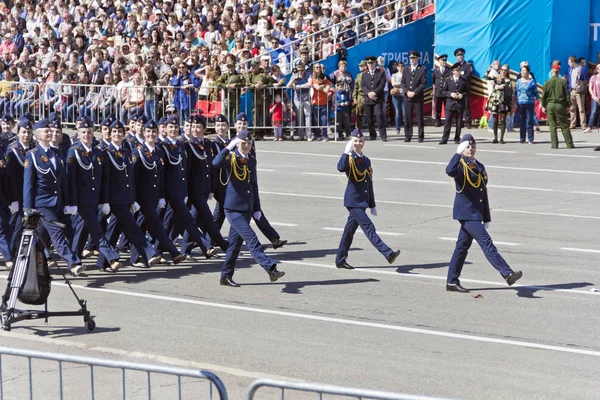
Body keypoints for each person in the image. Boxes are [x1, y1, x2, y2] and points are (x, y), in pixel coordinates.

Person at [445, 134, 523, 293]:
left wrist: (486, 216)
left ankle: (451, 282)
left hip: (476, 213)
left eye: (473, 147)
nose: (471, 149)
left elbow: (483, 192)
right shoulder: (460, 165)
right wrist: (457, 153)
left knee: (461, 248)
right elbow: (449, 171)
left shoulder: (479, 166)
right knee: (486, 242)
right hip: (466, 213)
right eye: (467, 146)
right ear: (462, 148)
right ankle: (507, 273)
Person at [212, 130, 285, 287]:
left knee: (234, 245)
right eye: (243, 143)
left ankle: (225, 276)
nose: (246, 146)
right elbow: (215, 163)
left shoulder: (250, 160)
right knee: (252, 239)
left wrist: (257, 208)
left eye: (249, 144)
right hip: (233, 209)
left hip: (247, 208)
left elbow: (253, 186)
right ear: (238, 144)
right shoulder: (230, 158)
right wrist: (229, 146)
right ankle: (270, 268)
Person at [23, 118, 84, 276]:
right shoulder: (33, 156)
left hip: (58, 202)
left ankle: (24, 264)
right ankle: (73, 263)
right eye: (46, 131)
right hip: (42, 203)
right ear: (37, 136)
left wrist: (69, 202)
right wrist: (28, 209)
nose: (50, 133)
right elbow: (28, 185)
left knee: (41, 238)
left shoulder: (56, 153)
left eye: (50, 130)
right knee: (57, 233)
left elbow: (62, 181)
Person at [98, 119, 161, 270]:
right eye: (114, 132)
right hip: (113, 198)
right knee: (132, 227)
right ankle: (149, 253)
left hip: (125, 197)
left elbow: (130, 178)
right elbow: (105, 179)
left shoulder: (126, 152)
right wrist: (105, 201)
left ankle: (102, 262)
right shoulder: (106, 153)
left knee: (113, 230)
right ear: (110, 134)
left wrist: (132, 199)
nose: (117, 134)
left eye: (120, 132)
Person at [335, 129, 401, 269]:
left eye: (361, 141)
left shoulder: (366, 160)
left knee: (349, 232)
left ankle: (340, 260)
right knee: (369, 227)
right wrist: (345, 152)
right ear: (351, 142)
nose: (358, 144)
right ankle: (388, 253)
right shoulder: (349, 158)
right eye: (356, 141)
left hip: (363, 201)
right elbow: (340, 168)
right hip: (353, 201)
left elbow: (368, 183)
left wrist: (372, 204)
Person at [66, 117, 123, 273]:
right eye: (83, 132)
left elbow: (103, 179)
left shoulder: (98, 152)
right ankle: (112, 258)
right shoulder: (74, 152)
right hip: (81, 200)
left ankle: (73, 262)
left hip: (94, 199)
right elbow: (70, 179)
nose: (87, 135)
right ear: (78, 134)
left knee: (81, 230)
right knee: (97, 230)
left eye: (89, 132)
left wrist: (104, 201)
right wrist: (71, 202)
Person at [542, 65, 575, 149]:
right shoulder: (563, 82)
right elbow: (567, 95)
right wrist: (568, 105)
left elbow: (543, 96)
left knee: (552, 126)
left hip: (550, 105)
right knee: (564, 125)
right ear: (559, 72)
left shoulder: (547, 82)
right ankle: (569, 144)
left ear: (552, 71)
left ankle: (554, 145)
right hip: (560, 105)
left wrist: (543, 105)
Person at [401, 51, 428, 142]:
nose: (412, 60)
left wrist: (415, 92)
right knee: (407, 117)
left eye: (414, 58)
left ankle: (420, 136)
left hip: (417, 97)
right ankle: (408, 135)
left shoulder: (422, 69)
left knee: (419, 118)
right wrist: (407, 91)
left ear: (417, 59)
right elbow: (403, 82)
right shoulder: (406, 69)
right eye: (411, 58)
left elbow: (423, 83)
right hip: (407, 97)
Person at [439, 63, 469, 145]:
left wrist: (462, 95)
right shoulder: (448, 80)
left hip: (459, 104)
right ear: (453, 71)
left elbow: (467, 91)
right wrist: (450, 94)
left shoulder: (464, 80)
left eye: (459, 70)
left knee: (459, 123)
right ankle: (445, 138)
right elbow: (443, 91)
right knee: (448, 122)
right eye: (456, 70)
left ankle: (457, 138)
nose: (458, 72)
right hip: (450, 104)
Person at [361, 56, 387, 141]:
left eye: (372, 63)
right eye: (368, 63)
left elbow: (382, 84)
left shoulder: (380, 72)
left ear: (375, 63)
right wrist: (368, 93)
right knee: (369, 118)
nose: (370, 65)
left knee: (379, 116)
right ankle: (372, 135)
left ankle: (383, 135)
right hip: (368, 98)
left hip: (377, 98)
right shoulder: (364, 74)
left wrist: (374, 93)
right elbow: (363, 85)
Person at [486, 64, 513, 144]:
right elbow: (486, 78)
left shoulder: (509, 80)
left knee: (503, 120)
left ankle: (501, 138)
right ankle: (495, 138)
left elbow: (510, 91)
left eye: (505, 70)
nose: (503, 71)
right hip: (495, 100)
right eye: (502, 69)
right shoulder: (496, 78)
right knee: (495, 120)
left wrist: (503, 87)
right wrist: (488, 70)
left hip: (504, 101)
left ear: (507, 71)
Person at [515, 65, 540, 144]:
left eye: (524, 70)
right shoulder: (518, 81)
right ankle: (522, 138)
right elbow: (515, 93)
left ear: (528, 72)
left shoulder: (532, 82)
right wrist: (513, 103)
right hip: (520, 103)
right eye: (521, 70)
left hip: (529, 103)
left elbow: (536, 92)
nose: (523, 72)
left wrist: (540, 101)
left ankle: (530, 138)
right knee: (521, 121)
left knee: (529, 120)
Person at [454, 48, 473, 129]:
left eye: (461, 55)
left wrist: (459, 77)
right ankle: (459, 122)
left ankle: (468, 122)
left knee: (466, 106)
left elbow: (468, 76)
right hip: (457, 89)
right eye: (458, 55)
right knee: (458, 107)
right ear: (456, 57)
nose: (460, 57)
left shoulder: (468, 65)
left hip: (465, 89)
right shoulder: (455, 66)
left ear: (463, 56)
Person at [566, 55, 587, 130]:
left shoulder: (581, 69)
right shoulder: (570, 70)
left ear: (573, 62)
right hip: (572, 90)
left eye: (569, 62)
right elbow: (568, 80)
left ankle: (583, 124)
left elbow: (585, 80)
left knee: (581, 108)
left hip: (579, 91)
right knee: (572, 108)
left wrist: (583, 89)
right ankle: (573, 123)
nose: (568, 63)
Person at [432, 54, 450, 127]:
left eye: (445, 60)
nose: (444, 62)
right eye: (442, 60)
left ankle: (447, 121)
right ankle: (437, 121)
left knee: (447, 108)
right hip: (438, 92)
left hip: (446, 92)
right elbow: (434, 81)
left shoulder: (449, 70)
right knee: (438, 108)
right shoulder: (435, 71)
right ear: (439, 61)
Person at [390, 61, 405, 135]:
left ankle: (406, 127)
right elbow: (393, 83)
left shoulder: (406, 75)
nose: (400, 67)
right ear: (397, 67)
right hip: (396, 96)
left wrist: (399, 84)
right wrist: (402, 84)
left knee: (405, 113)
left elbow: (407, 83)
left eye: (402, 66)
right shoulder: (394, 75)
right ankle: (397, 128)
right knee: (398, 112)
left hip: (404, 95)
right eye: (399, 66)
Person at [352, 60, 367, 130]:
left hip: (367, 97)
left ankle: (372, 132)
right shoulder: (358, 76)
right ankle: (358, 131)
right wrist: (354, 98)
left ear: (365, 67)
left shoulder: (369, 74)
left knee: (369, 115)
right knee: (359, 115)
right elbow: (356, 88)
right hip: (360, 97)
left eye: (361, 66)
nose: (359, 67)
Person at [585, 64, 600, 133]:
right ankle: (589, 127)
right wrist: (593, 96)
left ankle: (599, 127)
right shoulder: (593, 77)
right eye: (599, 68)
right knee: (594, 112)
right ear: (597, 69)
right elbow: (590, 88)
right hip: (595, 97)